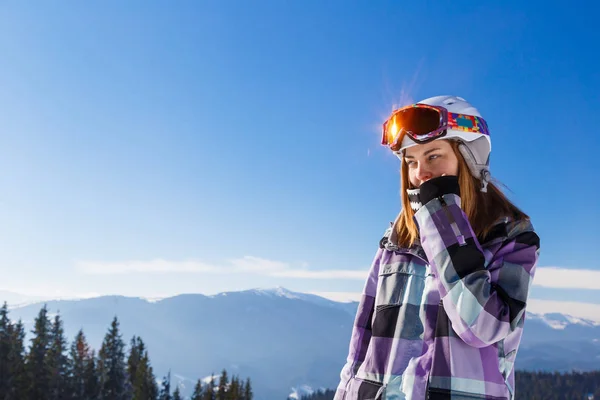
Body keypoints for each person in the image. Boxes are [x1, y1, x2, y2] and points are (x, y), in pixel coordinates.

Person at [334, 95, 540, 400]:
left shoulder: (512, 239)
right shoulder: (397, 242)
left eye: (433, 156)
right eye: (411, 161)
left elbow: (481, 326)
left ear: (470, 160)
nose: (420, 173)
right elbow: (362, 344)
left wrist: (442, 217)